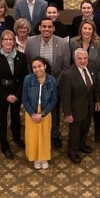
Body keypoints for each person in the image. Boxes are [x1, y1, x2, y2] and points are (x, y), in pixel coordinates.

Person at [25, 17, 71, 148]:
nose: (46, 29)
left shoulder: (62, 43)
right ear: (39, 28)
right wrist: (36, 80)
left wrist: (53, 83)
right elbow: (28, 63)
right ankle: (38, 135)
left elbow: (66, 67)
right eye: (44, 26)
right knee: (37, 108)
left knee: (54, 110)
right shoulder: (30, 42)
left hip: (55, 83)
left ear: (54, 28)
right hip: (36, 82)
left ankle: (54, 134)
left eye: (49, 27)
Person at [0, 30, 27, 159]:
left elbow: (24, 77)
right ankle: (4, 145)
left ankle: (17, 138)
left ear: (14, 41)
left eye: (11, 39)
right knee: (2, 119)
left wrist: (16, 95)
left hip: (16, 90)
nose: (8, 42)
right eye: (5, 39)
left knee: (16, 116)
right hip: (2, 92)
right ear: (1, 41)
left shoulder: (21, 56)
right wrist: (6, 95)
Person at [60, 48, 100, 164]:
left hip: (89, 106)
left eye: (85, 58)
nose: (83, 61)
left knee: (86, 127)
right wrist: (68, 113)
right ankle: (72, 151)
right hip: (75, 109)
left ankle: (81, 144)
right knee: (75, 131)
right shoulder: (68, 75)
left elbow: (96, 85)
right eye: (80, 59)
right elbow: (65, 97)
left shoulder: (92, 67)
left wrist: (97, 101)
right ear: (74, 59)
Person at [69, 20, 100, 142]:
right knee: (79, 108)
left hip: (94, 83)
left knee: (95, 107)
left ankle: (97, 130)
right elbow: (71, 62)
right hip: (78, 83)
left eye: (90, 29)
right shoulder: (73, 42)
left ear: (93, 30)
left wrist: (97, 83)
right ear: (81, 29)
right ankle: (78, 135)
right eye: (84, 28)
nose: (87, 31)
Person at [22, 57, 57, 170]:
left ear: (45, 66)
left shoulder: (51, 80)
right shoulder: (28, 79)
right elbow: (25, 98)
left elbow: (53, 100)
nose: (37, 69)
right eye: (34, 67)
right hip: (31, 112)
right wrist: (32, 114)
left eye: (39, 66)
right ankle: (35, 157)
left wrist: (42, 114)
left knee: (44, 135)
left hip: (45, 112)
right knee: (32, 136)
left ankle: (44, 157)